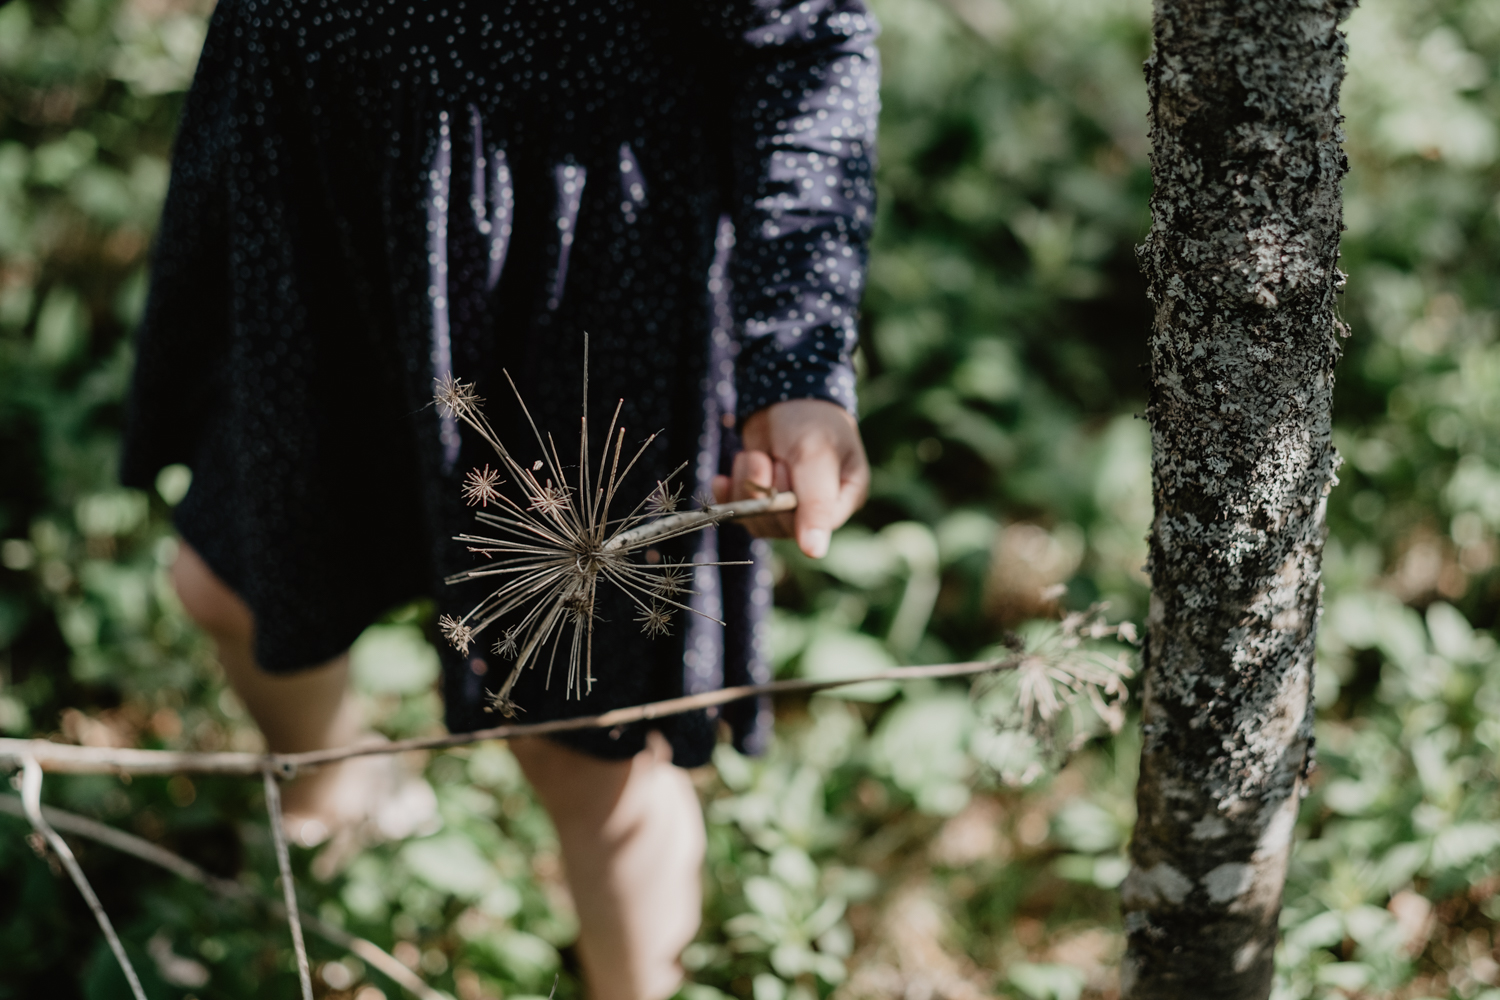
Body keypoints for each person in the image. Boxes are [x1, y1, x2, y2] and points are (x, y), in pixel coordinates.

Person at [123, 3, 878, 998]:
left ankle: (637, 981)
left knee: (586, 744)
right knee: (232, 583)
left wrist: (799, 360)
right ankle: (342, 795)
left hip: (573, 266)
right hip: (323, 208)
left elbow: (807, 38)